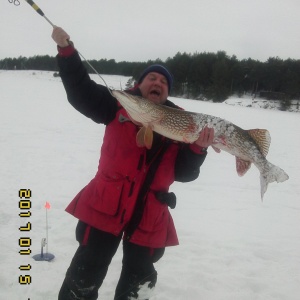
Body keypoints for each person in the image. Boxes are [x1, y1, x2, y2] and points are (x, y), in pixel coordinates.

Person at [52, 26, 215, 300]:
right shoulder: (117, 105)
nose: (158, 83)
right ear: (140, 84)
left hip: (150, 216)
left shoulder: (181, 124)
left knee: (136, 290)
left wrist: (198, 148)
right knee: (83, 279)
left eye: (164, 83)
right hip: (106, 204)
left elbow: (185, 173)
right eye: (152, 78)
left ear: (167, 94)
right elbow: (80, 90)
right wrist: (67, 52)